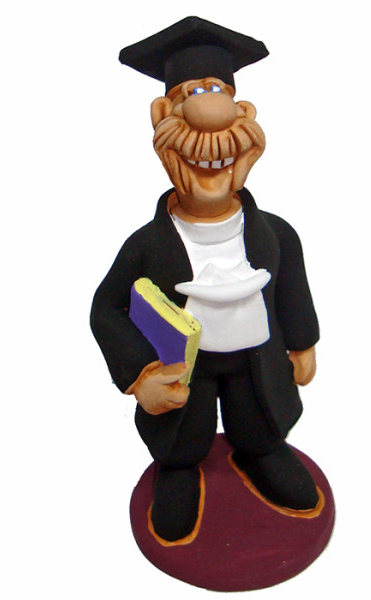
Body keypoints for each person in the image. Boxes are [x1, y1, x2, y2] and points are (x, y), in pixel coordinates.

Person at [91, 17, 321, 543]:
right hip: (184, 370)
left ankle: (261, 452)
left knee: (259, 421)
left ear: (246, 116)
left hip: (256, 360)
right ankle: (178, 469)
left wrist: (304, 343)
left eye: (220, 94)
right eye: (191, 96)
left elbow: (292, 288)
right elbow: (106, 307)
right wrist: (140, 375)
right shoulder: (146, 245)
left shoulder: (276, 234)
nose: (210, 117)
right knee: (184, 435)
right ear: (161, 120)